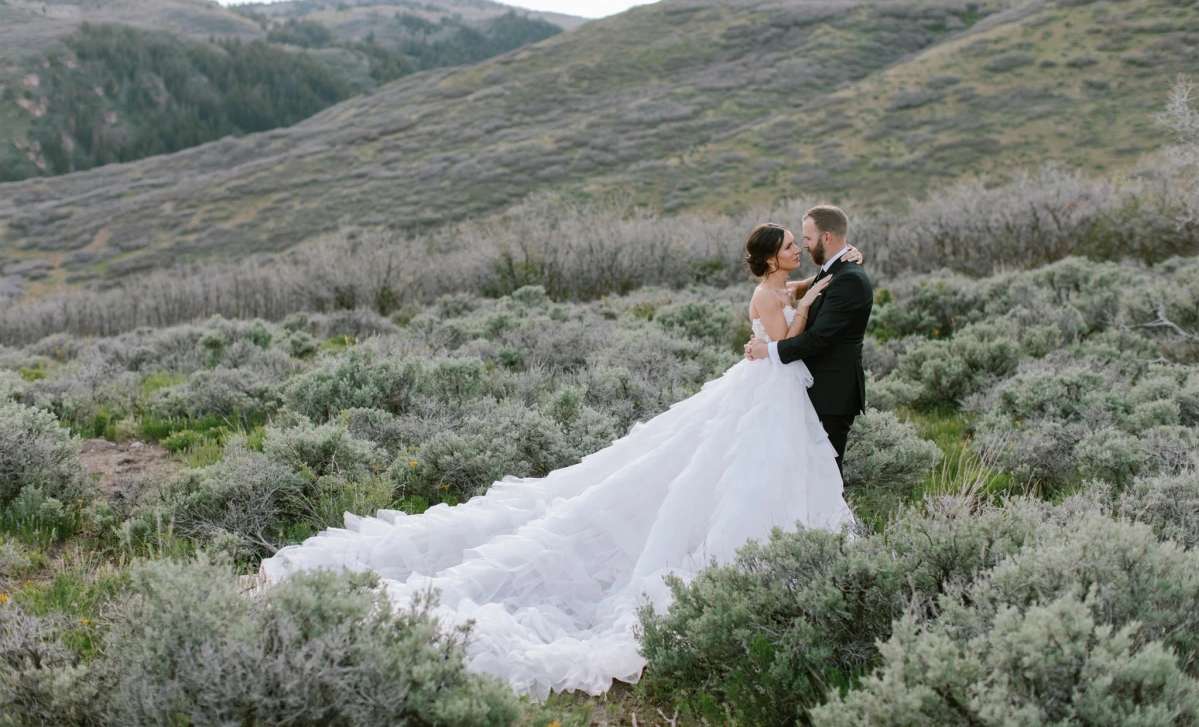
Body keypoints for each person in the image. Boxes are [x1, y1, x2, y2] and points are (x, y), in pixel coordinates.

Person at [260, 226, 862, 700]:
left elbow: (790, 305)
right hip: (770, 387)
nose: (795, 252)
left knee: (742, 471)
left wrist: (819, 282)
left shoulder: (776, 285)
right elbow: (787, 338)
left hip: (767, 390)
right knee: (741, 474)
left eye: (797, 244)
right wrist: (812, 301)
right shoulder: (769, 292)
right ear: (770, 258)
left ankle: (771, 554)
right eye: (788, 247)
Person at [744, 205, 873, 478]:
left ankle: (823, 522)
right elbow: (816, 287)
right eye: (791, 245)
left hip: (830, 393)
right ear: (771, 258)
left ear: (826, 238)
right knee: (794, 469)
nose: (801, 247)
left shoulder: (843, 278)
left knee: (823, 474)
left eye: (804, 239)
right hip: (796, 387)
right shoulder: (827, 274)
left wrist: (766, 349)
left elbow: (816, 339)